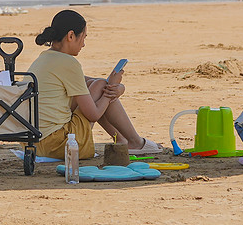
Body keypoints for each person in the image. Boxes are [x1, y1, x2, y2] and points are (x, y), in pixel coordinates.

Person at [26, 10, 161, 159]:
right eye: (83, 37)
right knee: (100, 86)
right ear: (71, 36)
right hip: (61, 145)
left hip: (36, 144)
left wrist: (117, 87)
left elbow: (85, 82)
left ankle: (123, 140)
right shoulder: (69, 63)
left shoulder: (45, 58)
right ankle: (134, 141)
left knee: (96, 84)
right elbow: (94, 114)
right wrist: (110, 91)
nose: (83, 44)